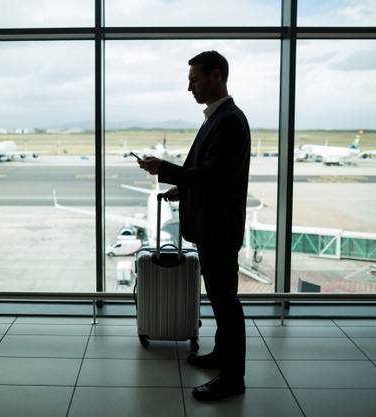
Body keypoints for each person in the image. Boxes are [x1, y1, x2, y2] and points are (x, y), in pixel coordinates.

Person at [137, 50, 250, 402]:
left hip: (218, 229)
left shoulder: (228, 120)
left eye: (195, 79)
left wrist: (164, 169)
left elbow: (213, 176)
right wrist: (182, 188)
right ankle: (220, 355)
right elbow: (208, 171)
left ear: (215, 76)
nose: (190, 88)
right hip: (211, 227)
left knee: (226, 303)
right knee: (219, 299)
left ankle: (232, 378)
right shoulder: (217, 118)